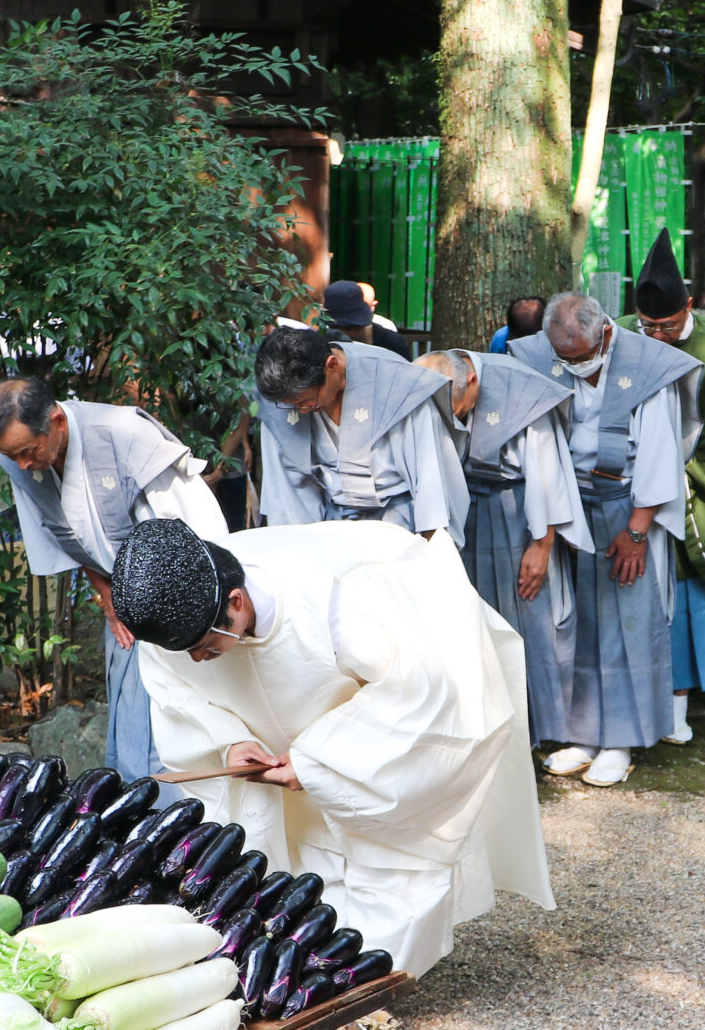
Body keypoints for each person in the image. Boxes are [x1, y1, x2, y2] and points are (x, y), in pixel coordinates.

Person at [112, 517, 553, 977]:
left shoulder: (339, 595)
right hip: (287, 752)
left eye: (204, 646)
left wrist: (319, 762)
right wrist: (228, 743)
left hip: (367, 740)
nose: (198, 660)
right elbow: (176, 691)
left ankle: (363, 980)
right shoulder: (179, 600)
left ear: (237, 602)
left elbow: (418, 693)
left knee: (388, 874)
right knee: (288, 861)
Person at [0, 375, 232, 780]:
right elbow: (61, 532)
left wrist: (192, 619)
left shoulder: (125, 436)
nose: (22, 464)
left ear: (57, 422)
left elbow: (195, 533)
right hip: (122, 599)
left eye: (28, 451)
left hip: (181, 599)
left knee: (188, 719)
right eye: (14, 455)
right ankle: (137, 818)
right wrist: (107, 597)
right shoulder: (18, 454)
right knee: (133, 719)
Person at [509, 292, 700, 785]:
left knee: (627, 626)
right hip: (568, 502)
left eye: (579, 357)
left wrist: (637, 532)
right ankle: (582, 733)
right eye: (562, 358)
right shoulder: (539, 356)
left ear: (607, 335)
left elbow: (662, 455)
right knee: (576, 621)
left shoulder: (649, 369)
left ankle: (621, 739)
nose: (571, 365)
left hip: (628, 507)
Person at [415, 346, 591, 756]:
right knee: (477, 622)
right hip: (467, 510)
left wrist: (542, 543)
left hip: (520, 512)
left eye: (457, 405)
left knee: (536, 619)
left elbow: (548, 472)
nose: (454, 415)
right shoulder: (437, 385)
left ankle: (550, 728)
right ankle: (493, 727)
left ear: (471, 380)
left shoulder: (523, 390)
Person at [626, 231, 705, 742]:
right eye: (647, 325)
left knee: (693, 594)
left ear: (689, 307)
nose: (656, 336)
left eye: (667, 325)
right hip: (636, 484)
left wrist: (684, 474)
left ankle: (689, 699)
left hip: (700, 479)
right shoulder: (624, 334)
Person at [251, 321, 466, 542]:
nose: (301, 411)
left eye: (306, 401)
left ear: (332, 366)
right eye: (292, 405)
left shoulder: (397, 384)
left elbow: (431, 483)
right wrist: (300, 546)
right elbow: (287, 497)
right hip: (330, 527)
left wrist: (432, 549)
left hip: (399, 526)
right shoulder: (281, 404)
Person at [324, 280, 412, 360]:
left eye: (349, 328)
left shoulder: (392, 343)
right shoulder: (324, 341)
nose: (342, 333)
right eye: (335, 328)